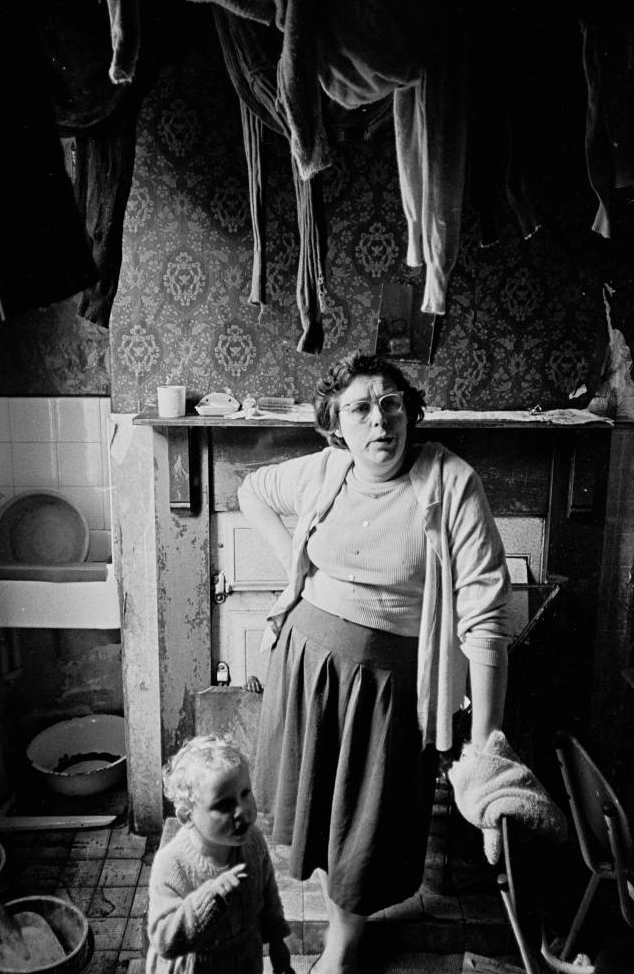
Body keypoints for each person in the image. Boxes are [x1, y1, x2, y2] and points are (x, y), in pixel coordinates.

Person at [237, 350, 512, 974]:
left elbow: (486, 617)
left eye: (391, 404)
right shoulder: (326, 471)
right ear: (337, 424)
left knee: (367, 816)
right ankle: (333, 921)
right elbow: (251, 490)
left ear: (411, 414)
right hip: (308, 665)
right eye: (359, 409)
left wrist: (488, 744)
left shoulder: (449, 481)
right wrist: (294, 569)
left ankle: (345, 940)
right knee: (323, 803)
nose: (379, 422)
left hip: (390, 686)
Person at [146, 734, 295, 974]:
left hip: (245, 958)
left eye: (245, 793)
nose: (242, 811)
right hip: (195, 966)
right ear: (187, 816)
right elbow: (164, 941)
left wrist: (278, 946)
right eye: (224, 805)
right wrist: (208, 900)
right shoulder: (172, 864)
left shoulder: (253, 842)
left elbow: (268, 899)